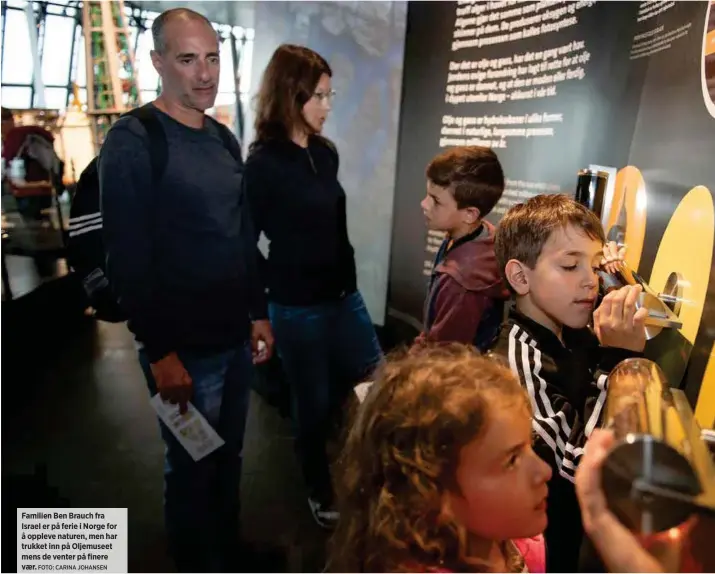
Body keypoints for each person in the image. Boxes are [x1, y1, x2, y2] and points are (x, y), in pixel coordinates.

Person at [98, 8, 273, 572]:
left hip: (232, 338)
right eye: (187, 58)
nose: (205, 73)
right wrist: (162, 352)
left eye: (213, 57)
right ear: (156, 63)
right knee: (192, 463)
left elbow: (241, 235)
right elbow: (127, 256)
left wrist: (258, 312)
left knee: (227, 458)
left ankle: (227, 551)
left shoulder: (222, 139)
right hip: (181, 351)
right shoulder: (134, 140)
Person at [330, 344, 663, 573]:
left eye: (529, 446)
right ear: (429, 494)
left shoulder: (516, 540)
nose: (544, 471)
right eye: (511, 461)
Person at [243, 44, 383, 529]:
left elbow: (332, 229)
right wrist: (262, 307)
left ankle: (374, 476)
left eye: (330, 94)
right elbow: (246, 242)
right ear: (291, 94)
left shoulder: (325, 153)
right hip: (297, 307)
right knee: (313, 406)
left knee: (376, 384)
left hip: (346, 298)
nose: (327, 105)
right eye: (318, 96)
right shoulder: (262, 163)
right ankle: (318, 488)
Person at [487, 194, 647, 572]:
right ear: (520, 277)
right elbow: (575, 466)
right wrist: (617, 360)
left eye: (594, 266)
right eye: (571, 266)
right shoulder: (516, 357)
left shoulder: (574, 332)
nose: (590, 282)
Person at [415, 146, 509, 348]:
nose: (424, 204)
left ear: (470, 214)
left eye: (436, 201)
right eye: (428, 194)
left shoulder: (460, 283)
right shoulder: (478, 234)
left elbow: (444, 356)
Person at [1, 106, 55, 221]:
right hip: (44, 191)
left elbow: (7, 165)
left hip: (26, 194)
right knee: (45, 226)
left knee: (30, 231)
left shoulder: (15, 136)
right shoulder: (31, 133)